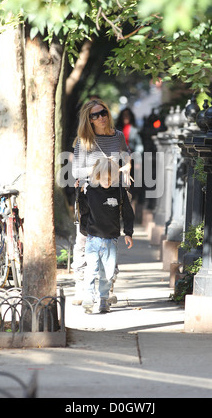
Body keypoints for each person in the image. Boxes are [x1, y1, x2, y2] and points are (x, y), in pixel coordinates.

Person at [71, 98, 131, 305]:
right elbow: (75, 171)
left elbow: (126, 156)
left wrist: (126, 167)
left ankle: (108, 287)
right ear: (89, 119)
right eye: (95, 115)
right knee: (83, 240)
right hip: (90, 196)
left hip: (114, 194)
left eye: (103, 112)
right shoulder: (84, 140)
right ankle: (81, 287)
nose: (101, 117)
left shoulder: (118, 136)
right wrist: (100, 168)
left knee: (110, 240)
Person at [81, 157, 134, 314]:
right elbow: (83, 211)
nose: (107, 181)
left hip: (111, 239)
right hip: (93, 238)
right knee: (90, 270)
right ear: (97, 176)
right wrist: (79, 191)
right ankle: (89, 298)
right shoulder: (90, 191)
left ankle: (104, 299)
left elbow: (127, 213)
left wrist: (128, 233)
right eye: (104, 178)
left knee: (107, 273)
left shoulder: (119, 192)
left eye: (111, 179)